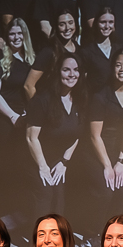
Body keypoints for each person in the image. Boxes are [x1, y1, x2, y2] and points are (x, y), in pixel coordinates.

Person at [0, 19, 35, 209]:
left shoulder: (30, 60)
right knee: (4, 167)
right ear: (7, 37)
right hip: (5, 120)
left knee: (19, 166)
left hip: (24, 119)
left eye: (20, 34)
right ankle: (0, 210)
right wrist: (12, 115)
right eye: (12, 34)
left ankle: (16, 210)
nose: (16, 37)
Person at [25, 53, 84, 216]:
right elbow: (31, 138)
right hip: (36, 159)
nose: (72, 74)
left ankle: (57, 239)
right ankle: (38, 240)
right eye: (66, 70)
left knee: (59, 201)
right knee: (45, 195)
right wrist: (43, 167)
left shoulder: (79, 99)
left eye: (76, 70)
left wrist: (64, 161)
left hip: (58, 161)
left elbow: (77, 134)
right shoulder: (42, 99)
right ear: (57, 72)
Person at [86, 50, 123, 218]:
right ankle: (93, 233)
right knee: (106, 191)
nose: (122, 69)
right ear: (111, 68)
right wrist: (108, 166)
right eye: (118, 65)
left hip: (121, 152)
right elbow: (95, 136)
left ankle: (115, 230)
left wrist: (120, 161)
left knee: (122, 192)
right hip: (99, 151)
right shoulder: (100, 96)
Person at [25, 9, 79, 99]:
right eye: (62, 24)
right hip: (52, 106)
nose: (67, 28)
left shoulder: (80, 50)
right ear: (56, 27)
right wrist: (39, 108)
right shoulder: (48, 51)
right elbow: (28, 85)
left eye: (70, 22)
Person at [78, 8, 122, 85]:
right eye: (103, 22)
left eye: (111, 22)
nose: (107, 26)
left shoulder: (120, 49)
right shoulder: (86, 51)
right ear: (96, 23)